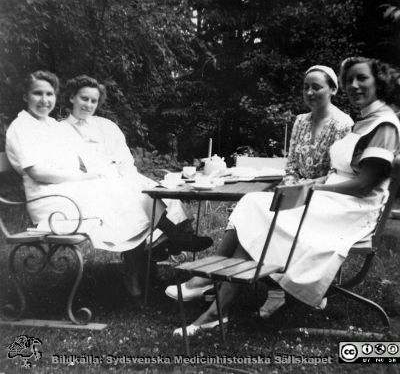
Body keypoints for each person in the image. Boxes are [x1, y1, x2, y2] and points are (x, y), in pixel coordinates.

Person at [168, 57, 400, 336]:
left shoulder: (384, 125)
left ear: (380, 81)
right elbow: (339, 171)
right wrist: (311, 185)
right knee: (255, 205)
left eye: (361, 78)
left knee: (262, 211)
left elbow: (364, 184)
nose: (353, 85)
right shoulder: (364, 121)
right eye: (350, 78)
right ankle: (217, 306)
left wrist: (314, 189)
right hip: (333, 196)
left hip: (351, 209)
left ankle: (216, 305)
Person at [5, 71, 212, 298]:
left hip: (68, 189)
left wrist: (94, 174)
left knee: (131, 192)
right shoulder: (21, 127)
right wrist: (85, 177)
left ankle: (158, 249)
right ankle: (169, 238)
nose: (44, 99)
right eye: (38, 93)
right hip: (51, 201)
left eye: (49, 94)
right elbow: (37, 172)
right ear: (25, 95)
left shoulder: (50, 125)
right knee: (127, 195)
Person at [165, 65, 353, 308]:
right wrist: (290, 189)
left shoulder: (343, 124)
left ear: (333, 89)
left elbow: (334, 173)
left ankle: (211, 281)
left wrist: (302, 190)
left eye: (316, 87)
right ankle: (216, 280)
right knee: (251, 208)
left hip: (321, 200)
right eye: (305, 87)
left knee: (255, 214)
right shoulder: (300, 121)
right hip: (292, 193)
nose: (310, 92)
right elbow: (292, 165)